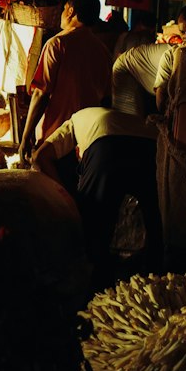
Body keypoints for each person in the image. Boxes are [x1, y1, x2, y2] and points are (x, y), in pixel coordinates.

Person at [30, 104, 161, 287]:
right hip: (154, 145)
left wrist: (67, 199)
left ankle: (93, 289)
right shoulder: (110, 115)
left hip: (107, 142)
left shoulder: (72, 123)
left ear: (77, 152)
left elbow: (39, 157)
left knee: (91, 224)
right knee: (156, 224)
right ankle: (157, 282)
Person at [18, 0, 112, 162]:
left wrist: (25, 137)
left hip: (55, 140)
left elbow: (41, 93)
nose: (61, 14)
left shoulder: (57, 44)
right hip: (88, 139)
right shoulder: (103, 51)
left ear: (70, 11)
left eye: (63, 9)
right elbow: (106, 99)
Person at [111, 1, 186, 116]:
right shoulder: (171, 56)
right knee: (132, 123)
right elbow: (161, 101)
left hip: (143, 72)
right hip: (126, 69)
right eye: (183, 32)